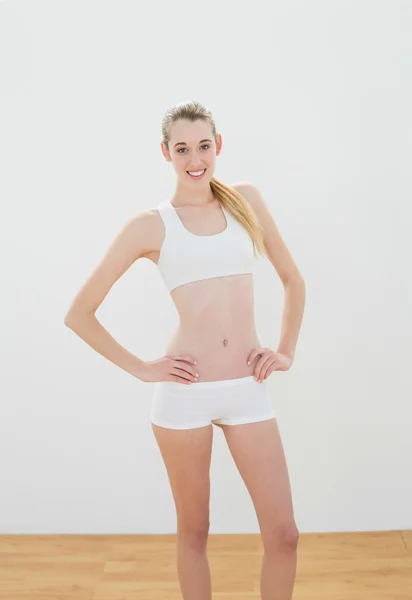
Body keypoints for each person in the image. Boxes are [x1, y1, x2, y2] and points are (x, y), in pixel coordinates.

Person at [64, 100, 306, 600]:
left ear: (218, 147)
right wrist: (142, 368)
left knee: (285, 535)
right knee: (194, 533)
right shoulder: (151, 225)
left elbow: (292, 280)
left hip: (247, 388)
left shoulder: (246, 201)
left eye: (203, 146)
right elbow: (80, 313)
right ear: (166, 153)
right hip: (185, 395)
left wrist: (285, 350)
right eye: (182, 149)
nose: (194, 158)